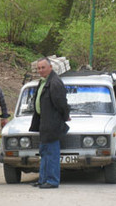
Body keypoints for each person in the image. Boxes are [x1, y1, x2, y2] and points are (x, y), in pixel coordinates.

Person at [29, 57, 70, 189]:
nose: (40, 70)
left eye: (43, 67)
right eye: (38, 68)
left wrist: (65, 116)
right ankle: (43, 179)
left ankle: (52, 180)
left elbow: (62, 104)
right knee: (44, 152)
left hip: (52, 123)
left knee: (51, 153)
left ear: (50, 67)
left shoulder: (55, 82)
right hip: (44, 122)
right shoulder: (43, 82)